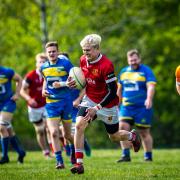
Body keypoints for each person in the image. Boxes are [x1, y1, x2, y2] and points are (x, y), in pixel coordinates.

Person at [67, 34, 141, 174]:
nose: (85, 53)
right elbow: (83, 81)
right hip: (89, 100)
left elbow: (113, 91)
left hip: (107, 105)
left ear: (97, 49)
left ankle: (132, 136)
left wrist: (97, 107)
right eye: (83, 50)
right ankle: (79, 164)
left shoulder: (106, 65)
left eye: (88, 50)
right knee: (78, 125)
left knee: (113, 136)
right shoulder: (83, 60)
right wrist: (71, 83)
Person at [116, 49, 156, 162]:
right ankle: (126, 155)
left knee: (144, 132)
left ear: (139, 59)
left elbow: (151, 86)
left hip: (142, 107)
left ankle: (148, 156)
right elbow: (119, 89)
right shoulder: (123, 72)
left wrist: (149, 99)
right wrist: (116, 103)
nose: (133, 62)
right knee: (122, 128)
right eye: (131, 60)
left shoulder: (146, 71)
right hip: (126, 107)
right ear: (128, 60)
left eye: (135, 59)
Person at [40, 41, 75, 169]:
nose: (52, 53)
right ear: (46, 53)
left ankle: (73, 149)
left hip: (66, 102)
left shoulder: (66, 64)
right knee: (54, 132)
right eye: (49, 52)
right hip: (51, 104)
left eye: (54, 51)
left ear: (58, 52)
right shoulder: (43, 67)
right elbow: (45, 80)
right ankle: (59, 161)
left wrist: (62, 84)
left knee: (67, 135)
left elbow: (74, 81)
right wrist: (43, 90)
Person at [20, 53, 52, 158]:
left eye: (44, 62)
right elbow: (22, 90)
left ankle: (54, 150)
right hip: (34, 107)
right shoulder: (30, 76)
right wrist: (29, 99)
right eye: (40, 62)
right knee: (40, 130)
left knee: (49, 127)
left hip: (47, 104)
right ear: (36, 63)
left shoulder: (50, 73)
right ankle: (45, 151)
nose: (42, 64)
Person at [0, 66, 26, 164]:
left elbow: (19, 79)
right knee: (8, 129)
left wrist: (17, 94)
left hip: (8, 102)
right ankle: (21, 152)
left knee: (2, 127)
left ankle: (5, 156)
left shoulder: (7, 71)